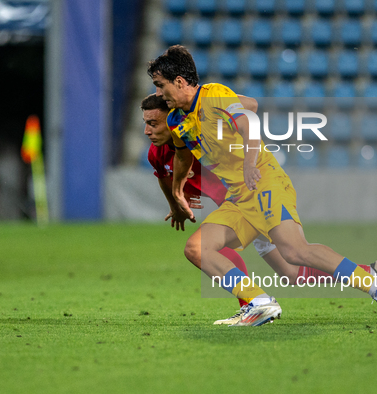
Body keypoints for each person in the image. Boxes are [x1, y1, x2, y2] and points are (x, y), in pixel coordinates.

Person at [147, 45, 377, 327]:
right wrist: (176, 191)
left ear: (180, 82)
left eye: (160, 86)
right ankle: (259, 303)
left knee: (295, 252)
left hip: (263, 181)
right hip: (239, 197)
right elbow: (184, 155)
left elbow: (249, 124)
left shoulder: (214, 96)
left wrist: (249, 162)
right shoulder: (177, 118)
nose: (158, 94)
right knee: (198, 249)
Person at [141, 93, 345, 324]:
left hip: (251, 199)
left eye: (153, 123)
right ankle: (369, 274)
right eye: (146, 123)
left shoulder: (201, 133)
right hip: (235, 209)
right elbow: (164, 178)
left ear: (172, 120)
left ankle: (254, 304)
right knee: (293, 273)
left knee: (208, 249)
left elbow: (250, 105)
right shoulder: (156, 153)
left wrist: (210, 106)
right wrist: (175, 204)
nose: (147, 131)